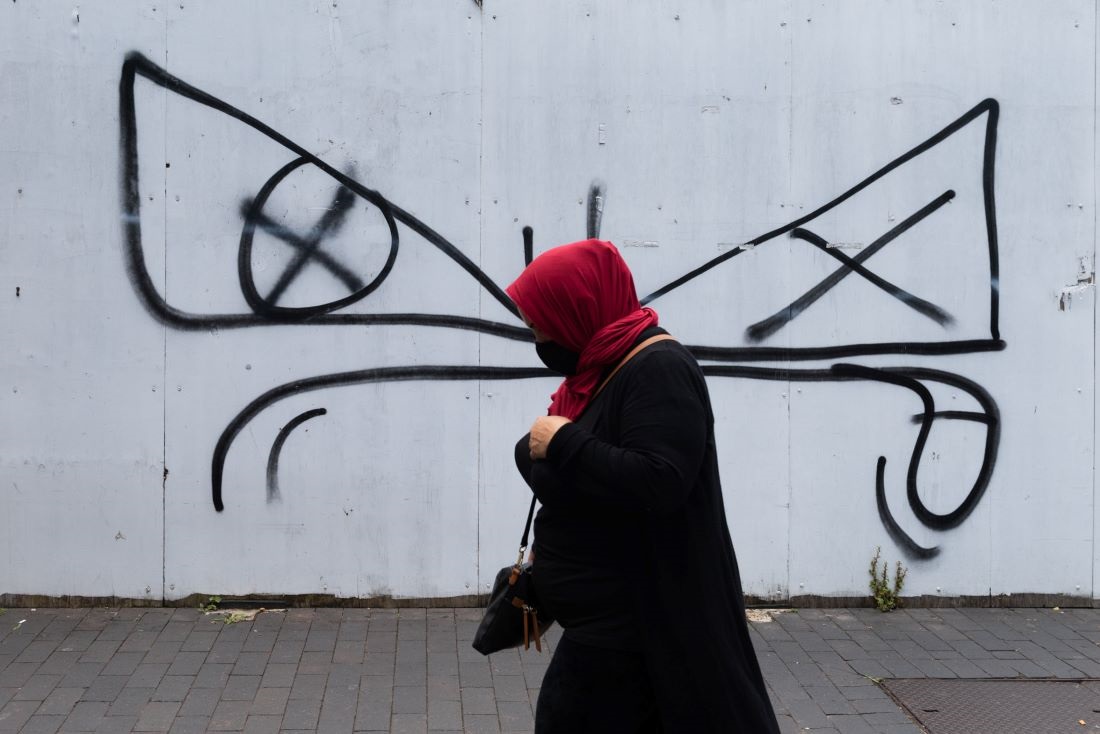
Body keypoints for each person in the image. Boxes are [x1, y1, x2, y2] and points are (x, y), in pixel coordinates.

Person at [507, 239, 780, 733]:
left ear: (577, 308)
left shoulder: (659, 369)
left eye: (539, 321)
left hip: (638, 626)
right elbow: (556, 471)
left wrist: (564, 442)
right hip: (609, 629)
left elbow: (659, 481)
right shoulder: (598, 371)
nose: (537, 335)